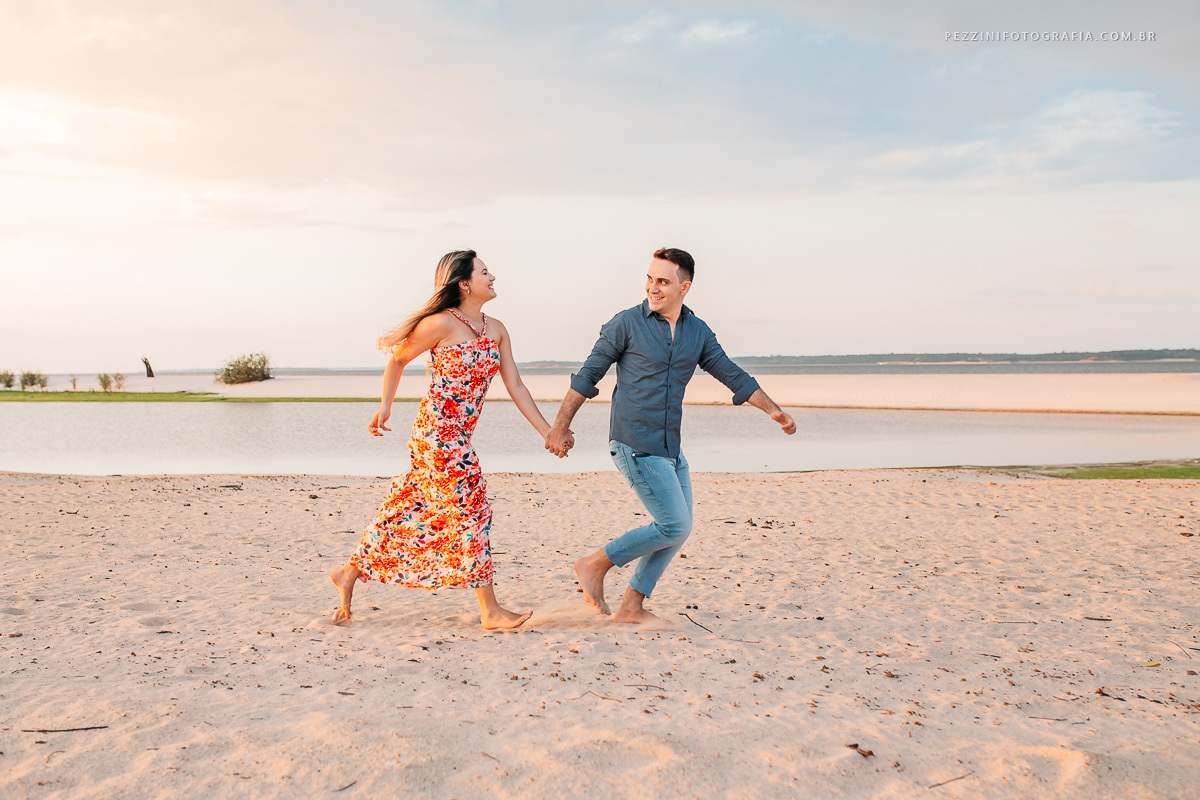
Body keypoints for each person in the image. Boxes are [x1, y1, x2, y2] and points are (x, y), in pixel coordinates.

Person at [545, 247, 796, 624]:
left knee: (678, 529)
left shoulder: (697, 332)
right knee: (674, 524)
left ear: (685, 287)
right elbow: (587, 375)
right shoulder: (626, 323)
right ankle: (595, 564)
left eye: (662, 281)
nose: (653, 287)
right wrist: (560, 427)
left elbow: (732, 374)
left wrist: (773, 410)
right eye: (649, 279)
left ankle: (631, 607)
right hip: (633, 442)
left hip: (670, 447)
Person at [330, 250, 552, 630]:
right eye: (485, 272)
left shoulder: (496, 329)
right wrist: (385, 407)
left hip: (459, 435)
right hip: (436, 433)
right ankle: (491, 610)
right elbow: (398, 360)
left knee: (411, 507)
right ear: (464, 283)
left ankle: (349, 572)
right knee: (473, 508)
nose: (493, 276)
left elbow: (515, 384)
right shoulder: (441, 324)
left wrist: (548, 431)